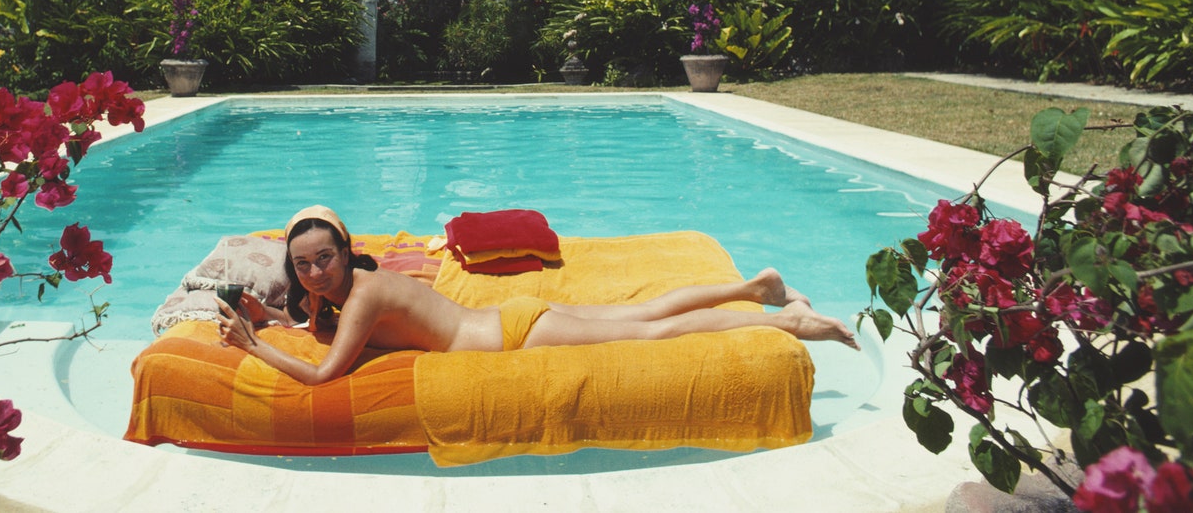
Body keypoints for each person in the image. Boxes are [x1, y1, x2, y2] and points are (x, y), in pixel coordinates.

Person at [216, 205, 859, 387]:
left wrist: (250, 345)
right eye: (302, 265)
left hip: (512, 335)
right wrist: (267, 315)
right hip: (508, 318)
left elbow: (323, 375)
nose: (313, 274)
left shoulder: (360, 297)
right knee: (641, 311)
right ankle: (756, 287)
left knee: (651, 331)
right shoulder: (344, 289)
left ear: (345, 249)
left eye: (324, 258)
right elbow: (311, 322)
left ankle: (788, 325)